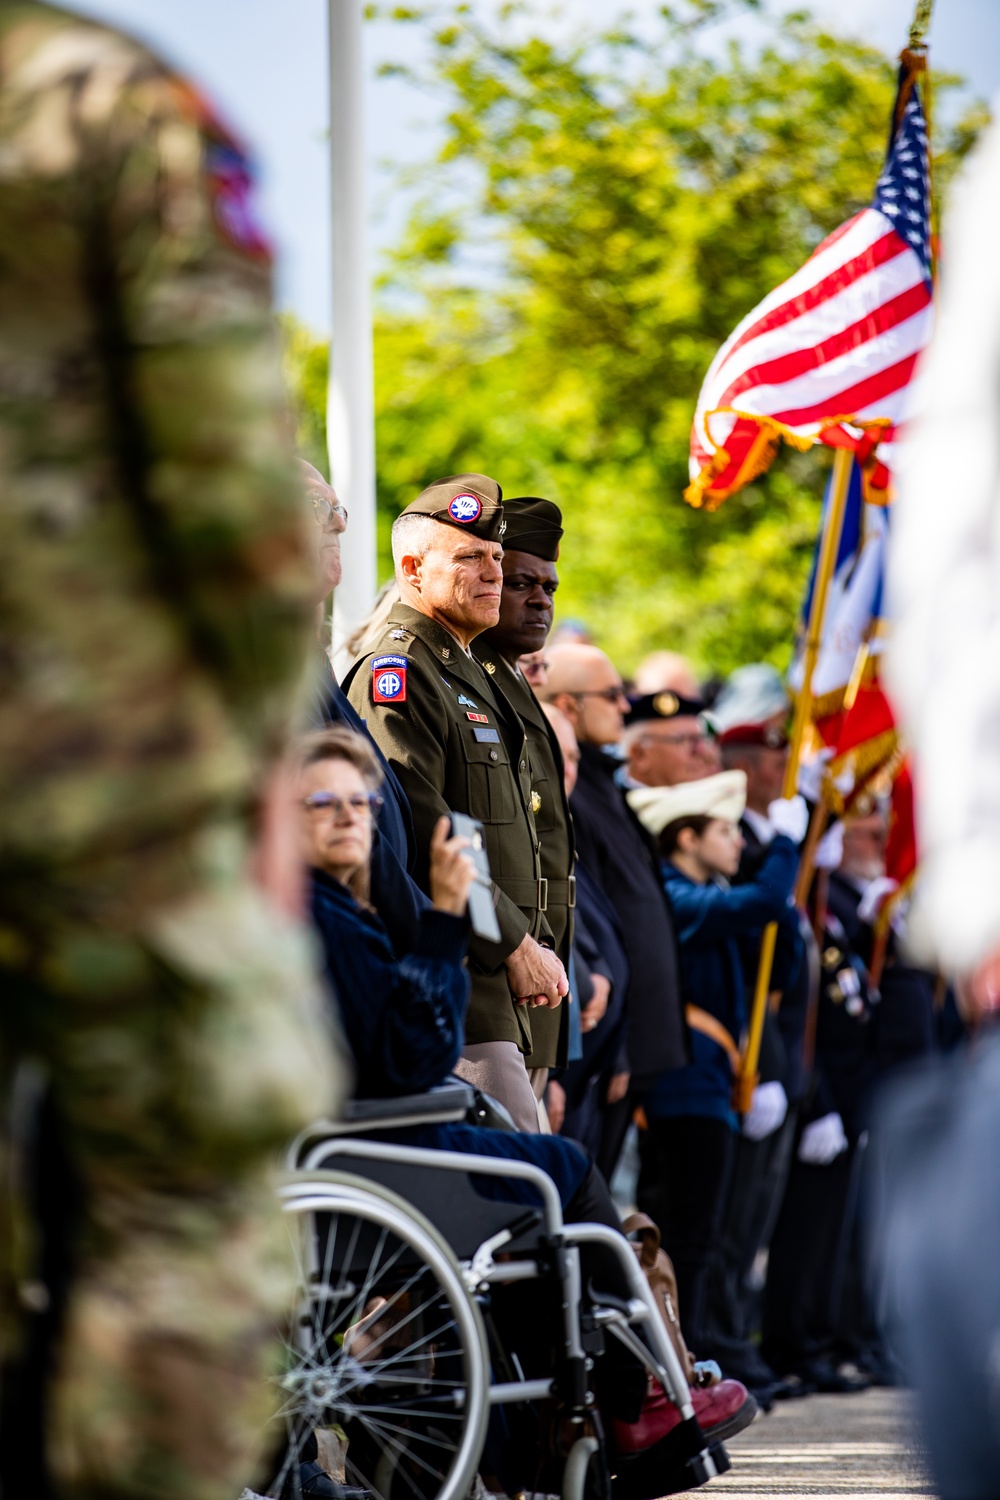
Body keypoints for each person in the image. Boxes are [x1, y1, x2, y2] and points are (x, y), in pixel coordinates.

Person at [0, 9, 344, 1495]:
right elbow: (233, 488)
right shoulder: (89, 101)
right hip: (94, 780)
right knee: (186, 1216)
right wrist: (268, 750)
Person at [295, 725, 756, 1492]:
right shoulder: (320, 916)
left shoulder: (338, 907)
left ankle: (585, 1409)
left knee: (537, 1202)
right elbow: (410, 1052)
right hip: (366, 1162)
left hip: (370, 1147)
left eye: (362, 801)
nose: (349, 815)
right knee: (562, 1170)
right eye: (323, 802)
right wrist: (445, 918)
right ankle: (627, 1399)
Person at [346, 474, 568, 1132]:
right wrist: (513, 943)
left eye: (497, 558)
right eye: (470, 557)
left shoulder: (467, 669)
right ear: (412, 569)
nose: (493, 573)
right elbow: (424, 827)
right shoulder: (402, 670)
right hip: (467, 986)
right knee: (527, 1208)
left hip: (508, 992)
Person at [627, 773, 805, 1349]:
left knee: (703, 1232)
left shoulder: (712, 896)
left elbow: (779, 957)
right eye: (725, 831)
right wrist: (784, 848)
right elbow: (763, 900)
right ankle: (684, 1351)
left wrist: (783, 894)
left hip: (709, 1087)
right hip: (682, 1088)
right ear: (686, 839)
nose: (736, 842)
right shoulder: (678, 896)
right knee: (687, 1234)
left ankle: (695, 1348)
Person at [544, 644, 688, 1177]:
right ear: (569, 705)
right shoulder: (574, 792)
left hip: (628, 1038)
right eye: (612, 695)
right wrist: (619, 1050)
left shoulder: (601, 782)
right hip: (600, 1044)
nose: (625, 707)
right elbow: (579, 920)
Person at [301, 460, 430, 953]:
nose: (336, 523)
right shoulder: (257, 673)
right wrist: (434, 933)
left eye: (337, 509)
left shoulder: (311, 667)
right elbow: (340, 830)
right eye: (316, 507)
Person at [474, 497, 575, 1111]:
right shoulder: (454, 676)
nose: (540, 600)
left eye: (549, 586)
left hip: (540, 992)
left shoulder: (509, 680)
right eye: (520, 583)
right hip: (492, 984)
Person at [542, 705, 631, 1171]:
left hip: (588, 1074)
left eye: (576, 758)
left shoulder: (565, 832)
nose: (568, 770)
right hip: (556, 1071)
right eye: (559, 755)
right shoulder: (536, 835)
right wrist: (554, 1073)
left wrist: (618, 1051)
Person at [623, 692, 721, 789]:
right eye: (681, 740)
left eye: (701, 739)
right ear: (639, 755)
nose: (700, 750)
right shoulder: (612, 802)